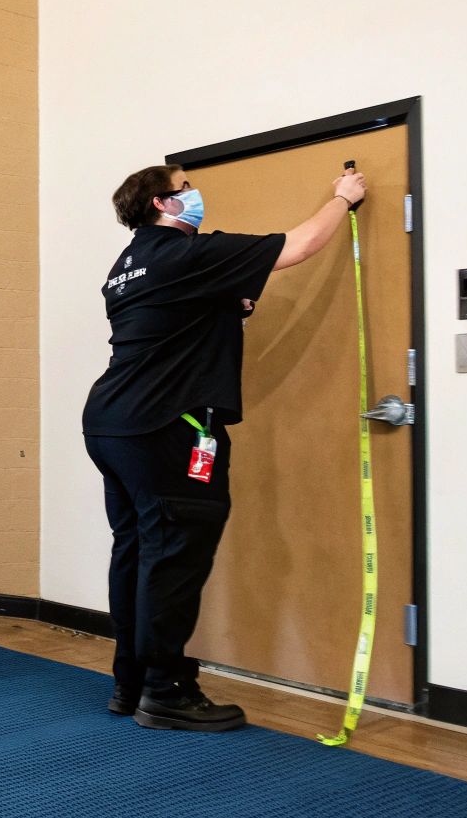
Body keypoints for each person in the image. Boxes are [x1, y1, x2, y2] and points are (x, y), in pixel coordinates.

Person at [82, 161, 366, 731]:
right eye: (184, 188)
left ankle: (130, 682)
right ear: (162, 205)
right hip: (165, 425)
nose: (194, 194)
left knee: (136, 551)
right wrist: (344, 198)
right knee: (172, 555)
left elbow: (168, 324)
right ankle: (165, 691)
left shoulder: (126, 268)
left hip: (113, 423)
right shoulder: (188, 253)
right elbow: (300, 245)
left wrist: (224, 307)